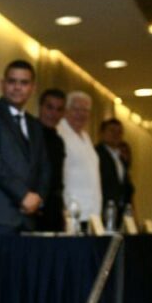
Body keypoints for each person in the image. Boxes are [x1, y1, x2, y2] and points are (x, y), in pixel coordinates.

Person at [0, 59, 50, 274]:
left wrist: (38, 199)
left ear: (32, 88)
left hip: (27, 219)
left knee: (22, 285)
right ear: (3, 84)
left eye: (24, 82)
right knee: (0, 285)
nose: (17, 87)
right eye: (12, 81)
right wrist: (23, 195)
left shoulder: (35, 125)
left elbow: (44, 167)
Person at [56, 91, 101, 225]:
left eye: (86, 110)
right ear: (66, 110)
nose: (81, 114)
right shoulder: (59, 132)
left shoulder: (86, 136)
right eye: (76, 109)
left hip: (92, 212)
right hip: (71, 211)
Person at [35, 88, 67, 232]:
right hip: (35, 207)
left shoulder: (59, 141)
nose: (54, 114)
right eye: (49, 107)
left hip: (54, 208)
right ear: (40, 107)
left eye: (59, 109)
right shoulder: (29, 135)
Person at [96, 118, 135, 225]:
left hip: (120, 214)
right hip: (104, 211)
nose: (116, 135)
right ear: (102, 133)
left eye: (119, 132)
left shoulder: (121, 158)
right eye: (112, 131)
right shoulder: (97, 154)